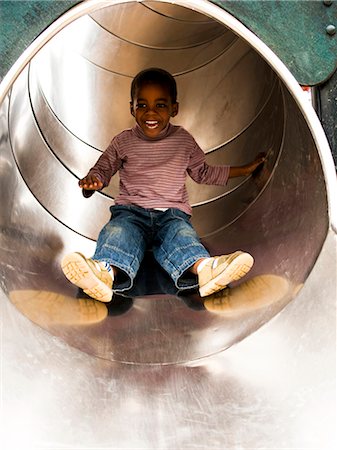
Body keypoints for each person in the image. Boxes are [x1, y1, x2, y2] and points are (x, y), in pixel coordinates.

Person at [61, 68, 266, 303]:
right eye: (142, 105)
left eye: (160, 105)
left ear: (173, 108)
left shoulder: (183, 141)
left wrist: (246, 169)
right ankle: (103, 272)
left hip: (171, 215)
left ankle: (206, 269)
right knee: (118, 233)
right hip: (131, 212)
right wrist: (91, 184)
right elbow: (103, 169)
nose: (150, 112)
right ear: (132, 108)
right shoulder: (123, 141)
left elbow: (203, 173)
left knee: (182, 236)